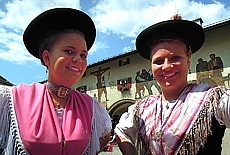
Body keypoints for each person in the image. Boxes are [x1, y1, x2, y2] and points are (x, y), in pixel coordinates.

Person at [0, 8, 111, 155]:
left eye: (83, 55)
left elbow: (104, 139)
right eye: (69, 51)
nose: (78, 59)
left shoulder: (92, 107)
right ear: (46, 58)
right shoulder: (11, 99)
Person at [115, 14, 230, 155]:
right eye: (158, 61)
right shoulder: (142, 108)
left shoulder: (214, 99)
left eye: (175, 58)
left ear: (188, 61)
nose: (167, 66)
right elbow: (121, 132)